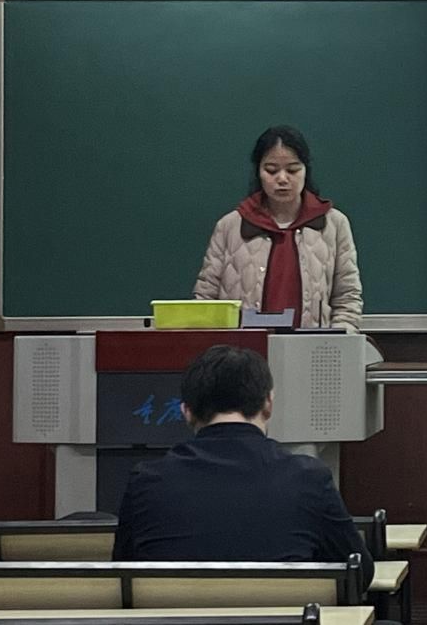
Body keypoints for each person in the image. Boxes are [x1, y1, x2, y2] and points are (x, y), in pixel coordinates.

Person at [112, 344, 374, 587]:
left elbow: (122, 574)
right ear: (268, 404)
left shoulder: (146, 481)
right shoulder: (309, 478)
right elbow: (358, 572)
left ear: (186, 411)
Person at [195, 125, 363, 332]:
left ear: (306, 170)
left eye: (292, 170)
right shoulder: (230, 226)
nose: (282, 179)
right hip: (242, 349)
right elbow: (205, 299)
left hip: (313, 348)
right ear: (258, 172)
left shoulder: (334, 224)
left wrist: (337, 340)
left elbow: (347, 297)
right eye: (271, 170)